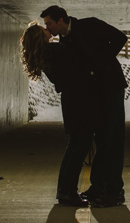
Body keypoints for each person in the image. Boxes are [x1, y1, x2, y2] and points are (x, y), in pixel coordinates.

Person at [41, 5, 127, 208]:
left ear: (62, 20)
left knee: (113, 138)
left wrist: (98, 64)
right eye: (46, 25)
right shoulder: (64, 41)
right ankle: (99, 187)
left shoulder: (89, 25)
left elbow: (119, 38)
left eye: (49, 23)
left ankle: (115, 191)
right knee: (101, 139)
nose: (48, 27)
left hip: (111, 87)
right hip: (94, 94)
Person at [20, 21, 94, 207]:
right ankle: (67, 192)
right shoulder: (55, 50)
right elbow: (80, 61)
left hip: (70, 100)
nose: (47, 29)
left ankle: (65, 191)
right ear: (39, 36)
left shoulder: (45, 54)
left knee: (75, 144)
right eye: (43, 29)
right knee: (80, 144)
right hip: (78, 98)